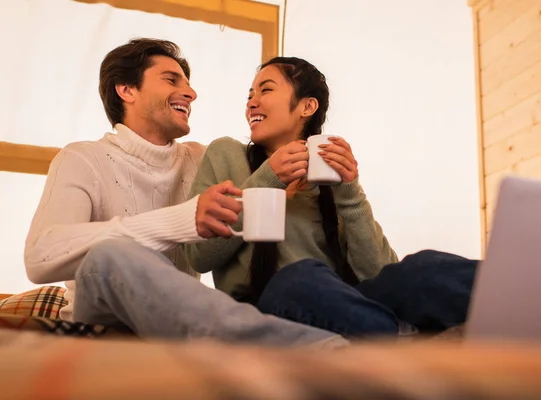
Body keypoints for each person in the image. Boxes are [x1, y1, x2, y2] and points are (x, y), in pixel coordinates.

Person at [23, 39, 348, 349]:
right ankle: (314, 349)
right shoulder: (82, 158)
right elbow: (40, 256)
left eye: (188, 84)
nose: (190, 93)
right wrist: (183, 219)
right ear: (126, 90)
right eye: (171, 80)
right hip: (103, 313)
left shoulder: (201, 159)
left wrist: (334, 179)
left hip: (172, 322)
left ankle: (326, 335)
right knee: (109, 255)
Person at [184, 56, 478, 339]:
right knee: (300, 279)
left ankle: (512, 301)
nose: (251, 102)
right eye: (250, 95)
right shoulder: (226, 153)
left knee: (423, 267)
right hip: (270, 308)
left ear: (307, 106)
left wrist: (349, 192)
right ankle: (399, 340)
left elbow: (377, 273)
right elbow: (199, 256)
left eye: (266, 89)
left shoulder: (328, 176)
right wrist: (267, 179)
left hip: (342, 304)